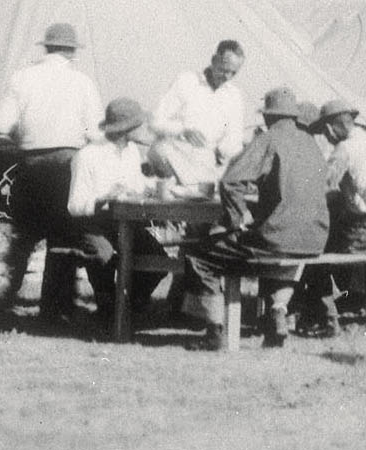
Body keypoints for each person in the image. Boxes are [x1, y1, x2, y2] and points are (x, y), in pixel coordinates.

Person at [183, 89, 330, 349]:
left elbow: (230, 181)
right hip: (314, 238)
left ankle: (213, 330)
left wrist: (236, 219)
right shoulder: (310, 143)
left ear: (268, 117)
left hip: (278, 238)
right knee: (283, 253)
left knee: (199, 254)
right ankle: (278, 311)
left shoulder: (269, 139)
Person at [0, 21, 105, 313]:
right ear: (72, 52)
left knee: (24, 236)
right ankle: (56, 307)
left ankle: (7, 298)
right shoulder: (82, 83)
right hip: (66, 166)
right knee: (62, 237)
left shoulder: (22, 78)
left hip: (31, 164)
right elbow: (96, 133)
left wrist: (19, 133)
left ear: (47, 48)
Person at [298, 99, 366, 336]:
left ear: (329, 129)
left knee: (315, 248)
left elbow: (321, 185)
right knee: (336, 232)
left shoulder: (344, 149)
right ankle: (350, 296)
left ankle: (321, 314)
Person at [64, 97, 169, 328]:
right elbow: (74, 205)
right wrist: (103, 198)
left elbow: (138, 186)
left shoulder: (132, 152)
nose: (143, 129)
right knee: (104, 255)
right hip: (93, 223)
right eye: (138, 125)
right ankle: (108, 307)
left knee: (158, 259)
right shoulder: (87, 155)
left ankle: (128, 306)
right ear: (126, 129)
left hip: (126, 224)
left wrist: (151, 189)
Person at [149, 40, 248, 183]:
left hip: (205, 162)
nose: (227, 77)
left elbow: (234, 141)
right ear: (214, 60)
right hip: (174, 151)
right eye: (224, 70)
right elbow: (154, 122)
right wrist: (183, 131)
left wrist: (226, 153)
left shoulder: (234, 96)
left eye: (233, 73)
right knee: (162, 150)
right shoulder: (187, 81)